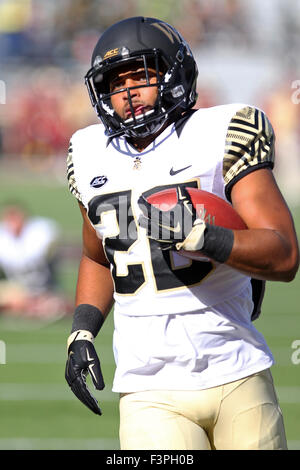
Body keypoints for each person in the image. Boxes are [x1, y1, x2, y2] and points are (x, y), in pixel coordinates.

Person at [64, 16, 299, 450]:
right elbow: (97, 254)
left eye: (142, 75)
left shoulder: (221, 131)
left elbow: (283, 256)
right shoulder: (88, 151)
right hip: (147, 384)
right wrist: (82, 330)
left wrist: (207, 239)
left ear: (174, 74)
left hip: (236, 368)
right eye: (116, 83)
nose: (129, 92)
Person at [0, 203, 72, 318]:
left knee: (57, 305)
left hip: (44, 287)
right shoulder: (3, 236)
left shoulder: (41, 230)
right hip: (17, 287)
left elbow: (34, 258)